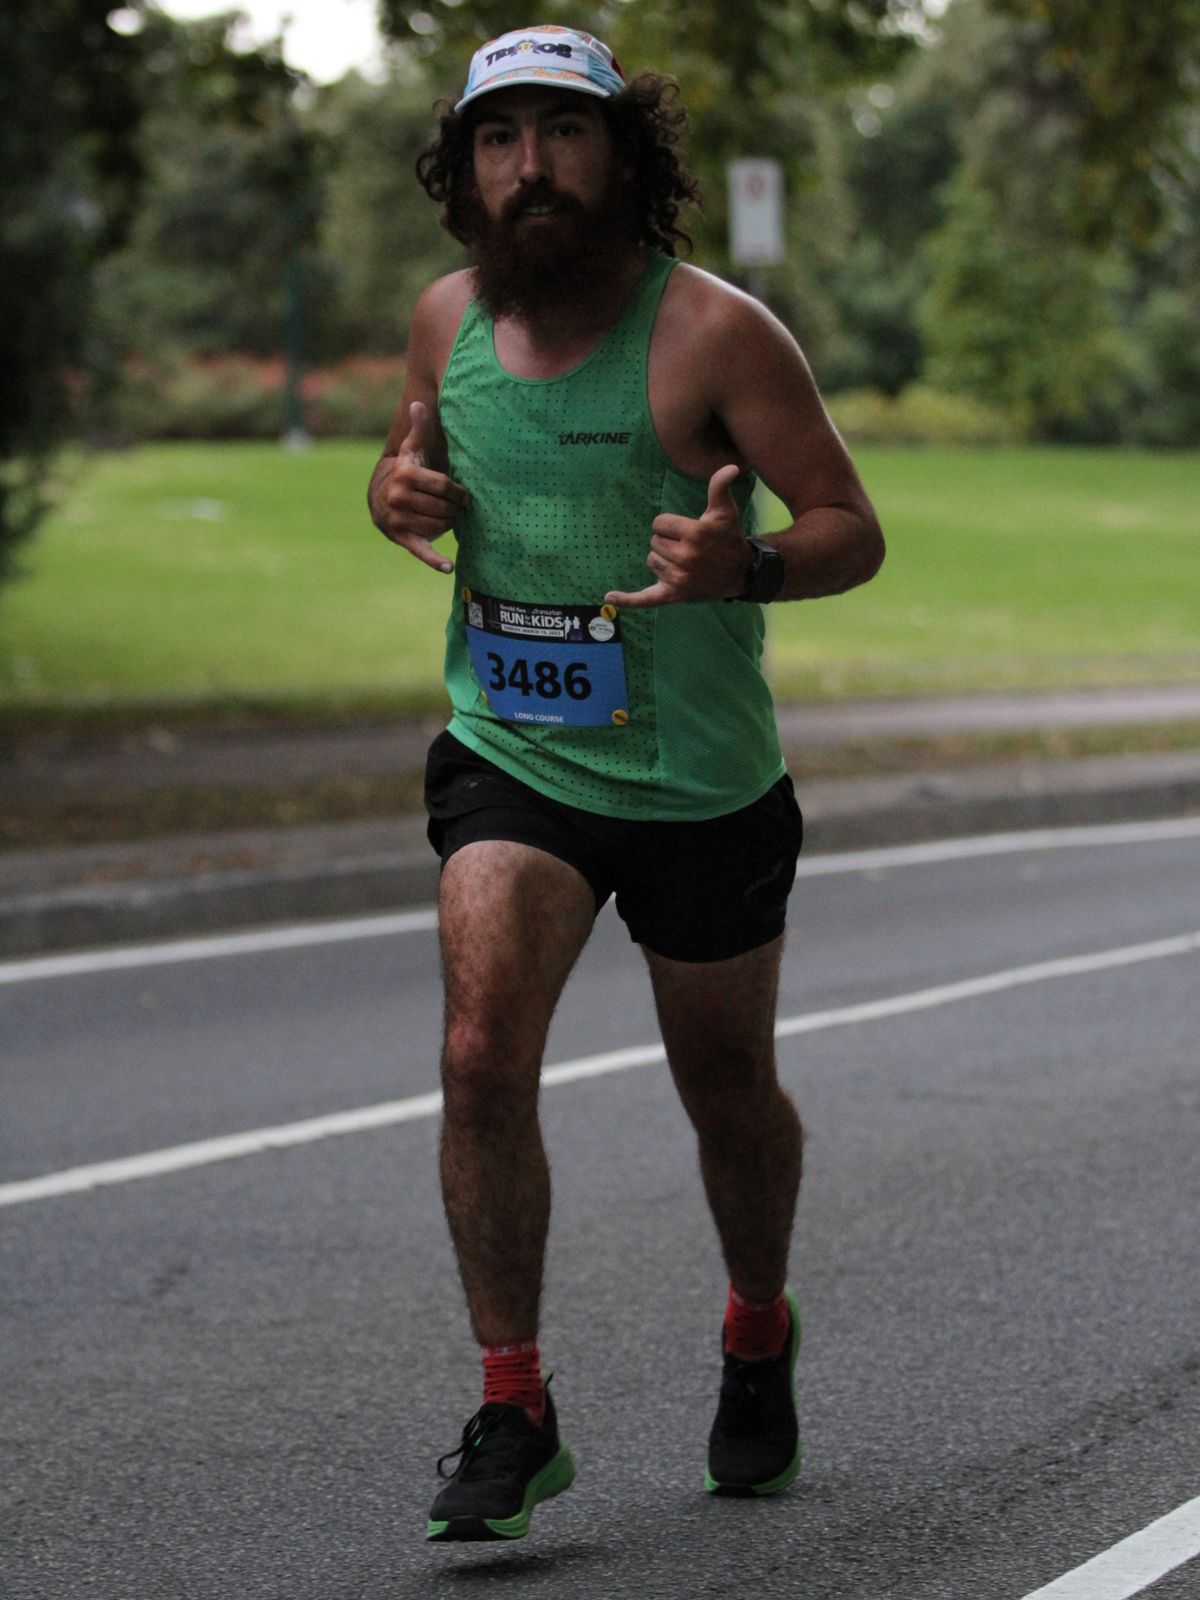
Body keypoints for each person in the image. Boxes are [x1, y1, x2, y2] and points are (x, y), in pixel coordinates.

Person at [367, 24, 884, 1544]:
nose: (532, 166)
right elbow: (409, 466)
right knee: (478, 1053)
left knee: (723, 1089)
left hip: (700, 782)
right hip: (514, 760)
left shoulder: (718, 333)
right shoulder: (444, 317)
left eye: (564, 132)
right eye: (499, 138)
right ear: (464, 171)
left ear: (625, 156)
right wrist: (388, 490)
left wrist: (752, 567)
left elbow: (852, 523)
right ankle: (514, 1403)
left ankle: (754, 1326)